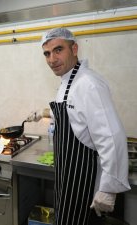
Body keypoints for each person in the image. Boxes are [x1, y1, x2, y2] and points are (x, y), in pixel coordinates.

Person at [41, 27, 130, 225]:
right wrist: (47, 114)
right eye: (47, 53)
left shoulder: (89, 84)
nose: (51, 59)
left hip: (83, 181)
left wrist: (108, 188)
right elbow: (76, 118)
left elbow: (112, 138)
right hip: (67, 176)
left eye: (58, 50)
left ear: (74, 49)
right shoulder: (67, 82)